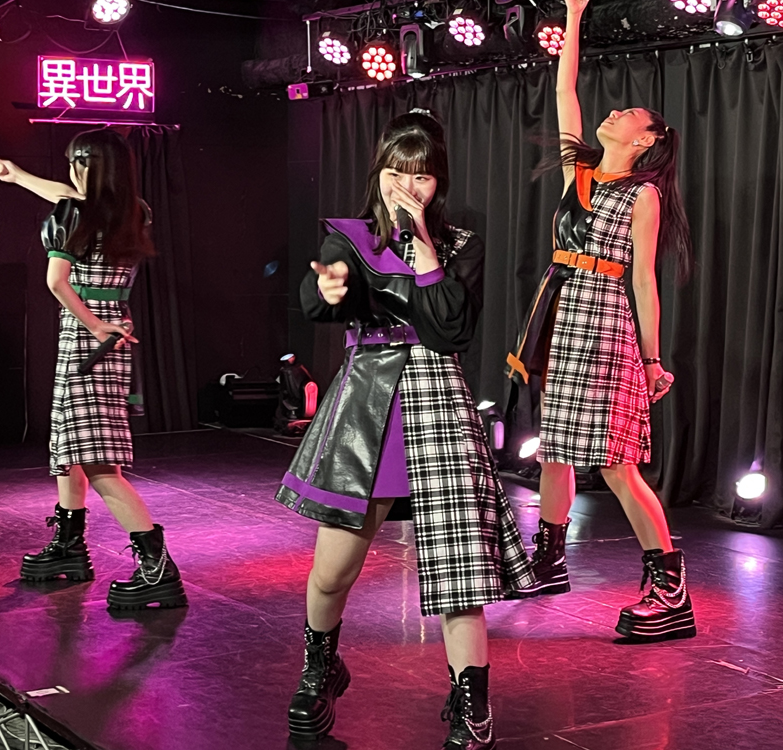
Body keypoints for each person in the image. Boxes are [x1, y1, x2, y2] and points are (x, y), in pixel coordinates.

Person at [275, 111, 534, 749]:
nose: (407, 188)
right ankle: (320, 667)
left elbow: (451, 329)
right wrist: (329, 288)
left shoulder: (461, 245)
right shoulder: (350, 237)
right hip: (367, 405)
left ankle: (472, 704)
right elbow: (318, 297)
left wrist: (422, 248)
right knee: (332, 572)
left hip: (438, 403)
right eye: (397, 173)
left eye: (422, 177)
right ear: (379, 174)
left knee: (458, 575)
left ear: (438, 183)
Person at [505, 0, 696, 643]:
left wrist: (652, 359)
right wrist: (573, 15)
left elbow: (644, 280)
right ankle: (549, 561)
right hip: (565, 318)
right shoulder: (580, 176)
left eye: (630, 114)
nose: (614, 114)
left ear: (647, 140)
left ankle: (670, 590)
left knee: (616, 463)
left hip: (608, 325)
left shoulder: (644, 194)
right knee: (556, 452)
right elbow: (565, 92)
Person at [0, 128, 187, 611]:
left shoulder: (71, 216)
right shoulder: (134, 210)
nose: (68, 171)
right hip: (111, 332)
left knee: (97, 460)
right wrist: (19, 177)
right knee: (70, 446)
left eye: (74, 162)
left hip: (90, 336)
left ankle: (157, 569)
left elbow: (57, 283)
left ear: (87, 165)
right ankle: (69, 545)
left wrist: (94, 325)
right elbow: (70, 195)